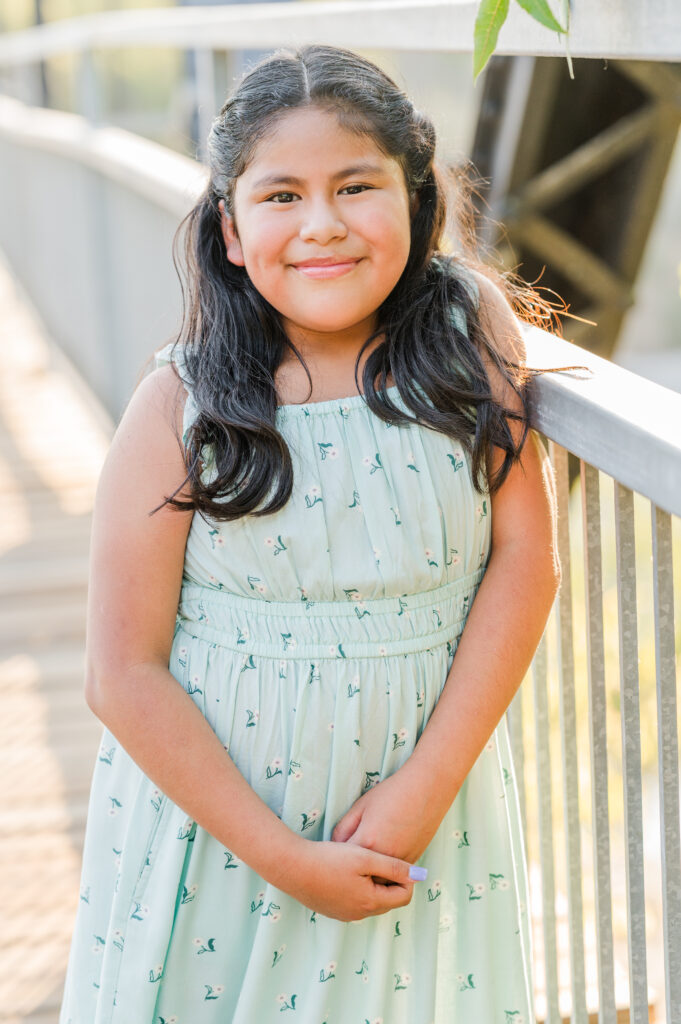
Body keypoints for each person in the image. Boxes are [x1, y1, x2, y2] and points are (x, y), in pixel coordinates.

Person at [59, 43, 561, 1024]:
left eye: (357, 185)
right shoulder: (181, 402)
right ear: (233, 231)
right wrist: (284, 856)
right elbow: (122, 671)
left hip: (425, 824)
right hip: (229, 842)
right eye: (281, 196)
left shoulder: (468, 333)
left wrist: (428, 782)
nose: (322, 224)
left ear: (417, 202)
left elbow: (526, 561)